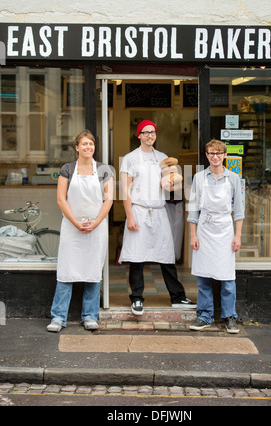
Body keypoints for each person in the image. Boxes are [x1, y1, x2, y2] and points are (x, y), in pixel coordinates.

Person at [119, 119, 196, 315]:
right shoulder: (130, 159)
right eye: (145, 132)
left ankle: (177, 296)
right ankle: (136, 298)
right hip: (138, 210)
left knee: (166, 255)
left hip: (159, 211)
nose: (149, 135)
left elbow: (168, 185)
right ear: (138, 135)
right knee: (137, 257)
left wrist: (173, 185)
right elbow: (125, 191)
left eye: (152, 132)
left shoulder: (162, 158)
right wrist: (129, 217)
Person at [47, 130, 114, 332]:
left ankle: (90, 315)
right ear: (77, 147)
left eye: (91, 144)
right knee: (67, 271)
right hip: (71, 227)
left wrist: (95, 222)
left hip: (96, 227)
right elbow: (61, 199)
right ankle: (58, 317)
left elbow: (109, 199)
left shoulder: (105, 169)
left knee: (93, 271)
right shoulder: (67, 169)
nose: (88, 147)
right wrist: (76, 223)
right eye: (84, 144)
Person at [187, 139, 244, 334]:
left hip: (225, 230)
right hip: (204, 229)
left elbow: (238, 210)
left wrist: (238, 235)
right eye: (211, 153)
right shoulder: (199, 178)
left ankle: (229, 316)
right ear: (207, 155)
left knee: (227, 277)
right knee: (203, 277)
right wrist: (193, 235)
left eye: (219, 153)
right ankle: (204, 316)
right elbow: (193, 209)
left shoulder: (233, 178)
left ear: (225, 155)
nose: (215, 157)